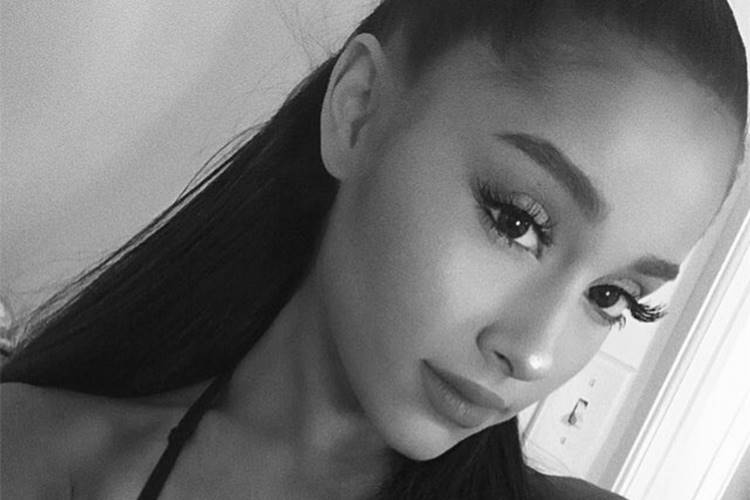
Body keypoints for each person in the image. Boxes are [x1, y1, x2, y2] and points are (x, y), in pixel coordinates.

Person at [1, 0, 747, 498]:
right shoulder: (30, 451)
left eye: (611, 296)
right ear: (358, 111)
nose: (534, 355)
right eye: (517, 222)